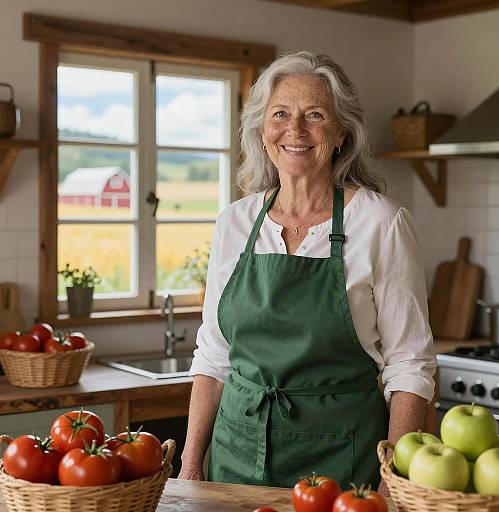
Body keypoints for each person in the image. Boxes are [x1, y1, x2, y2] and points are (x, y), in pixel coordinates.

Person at [178, 51, 436, 491]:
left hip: (343, 461)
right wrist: (189, 463)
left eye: (314, 115)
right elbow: (215, 355)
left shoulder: (379, 221)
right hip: (235, 456)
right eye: (280, 114)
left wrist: (397, 478)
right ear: (263, 131)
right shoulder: (235, 222)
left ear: (340, 134)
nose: (294, 130)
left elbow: (409, 365)